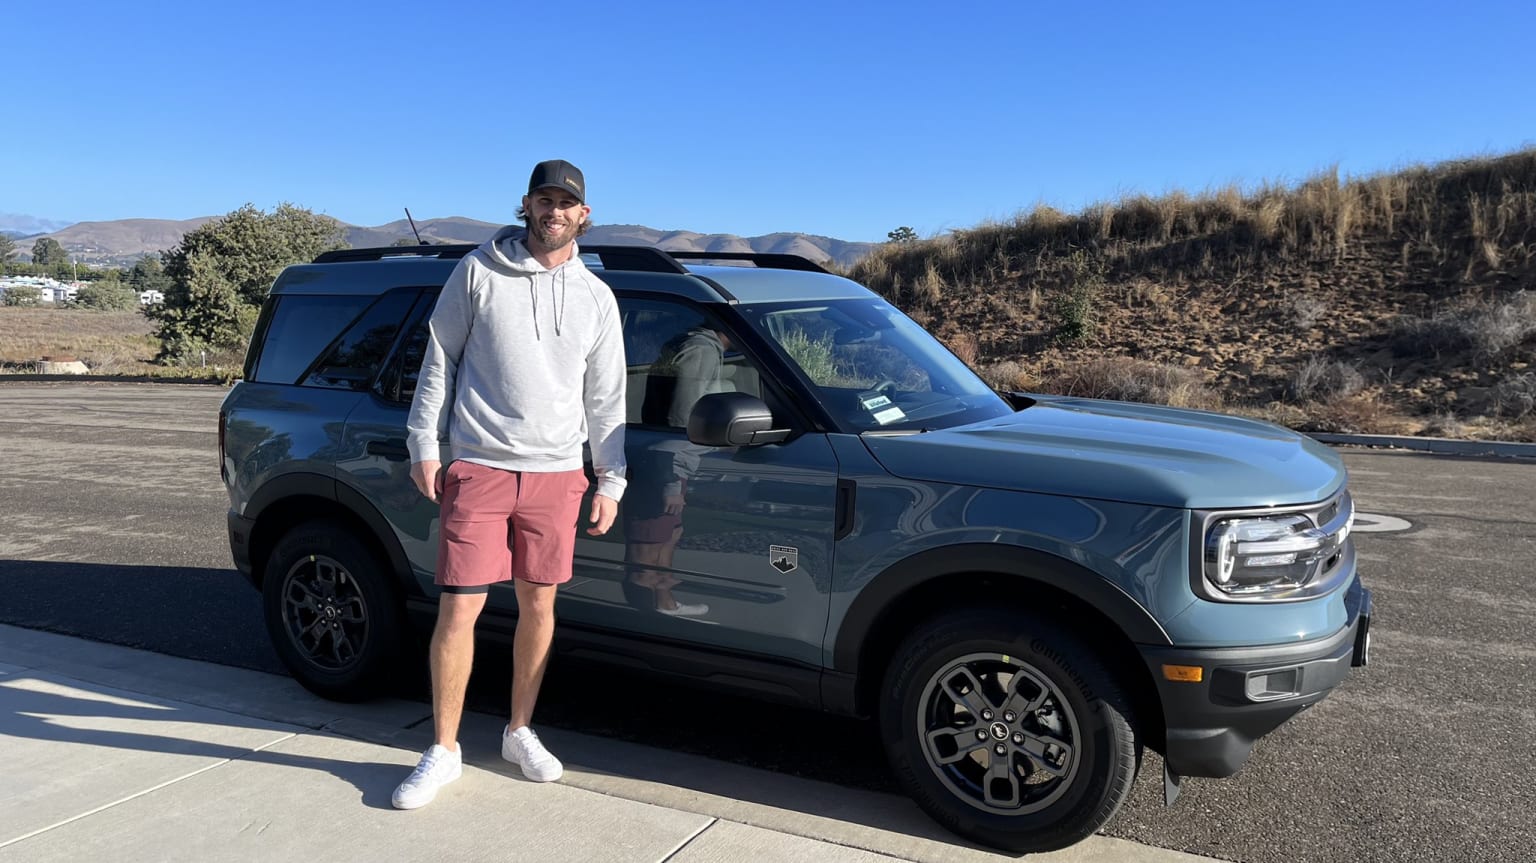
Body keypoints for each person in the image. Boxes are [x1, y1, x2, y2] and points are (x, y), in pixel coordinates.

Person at [391, 159, 627, 810]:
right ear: (526, 205)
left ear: (584, 215)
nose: (554, 210)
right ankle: (443, 749)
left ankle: (518, 730)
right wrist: (425, 444)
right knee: (459, 608)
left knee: (540, 606)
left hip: (557, 474)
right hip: (480, 466)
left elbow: (606, 399)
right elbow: (438, 360)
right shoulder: (476, 273)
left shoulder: (596, 298)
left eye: (567, 202)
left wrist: (611, 478)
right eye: (544, 199)